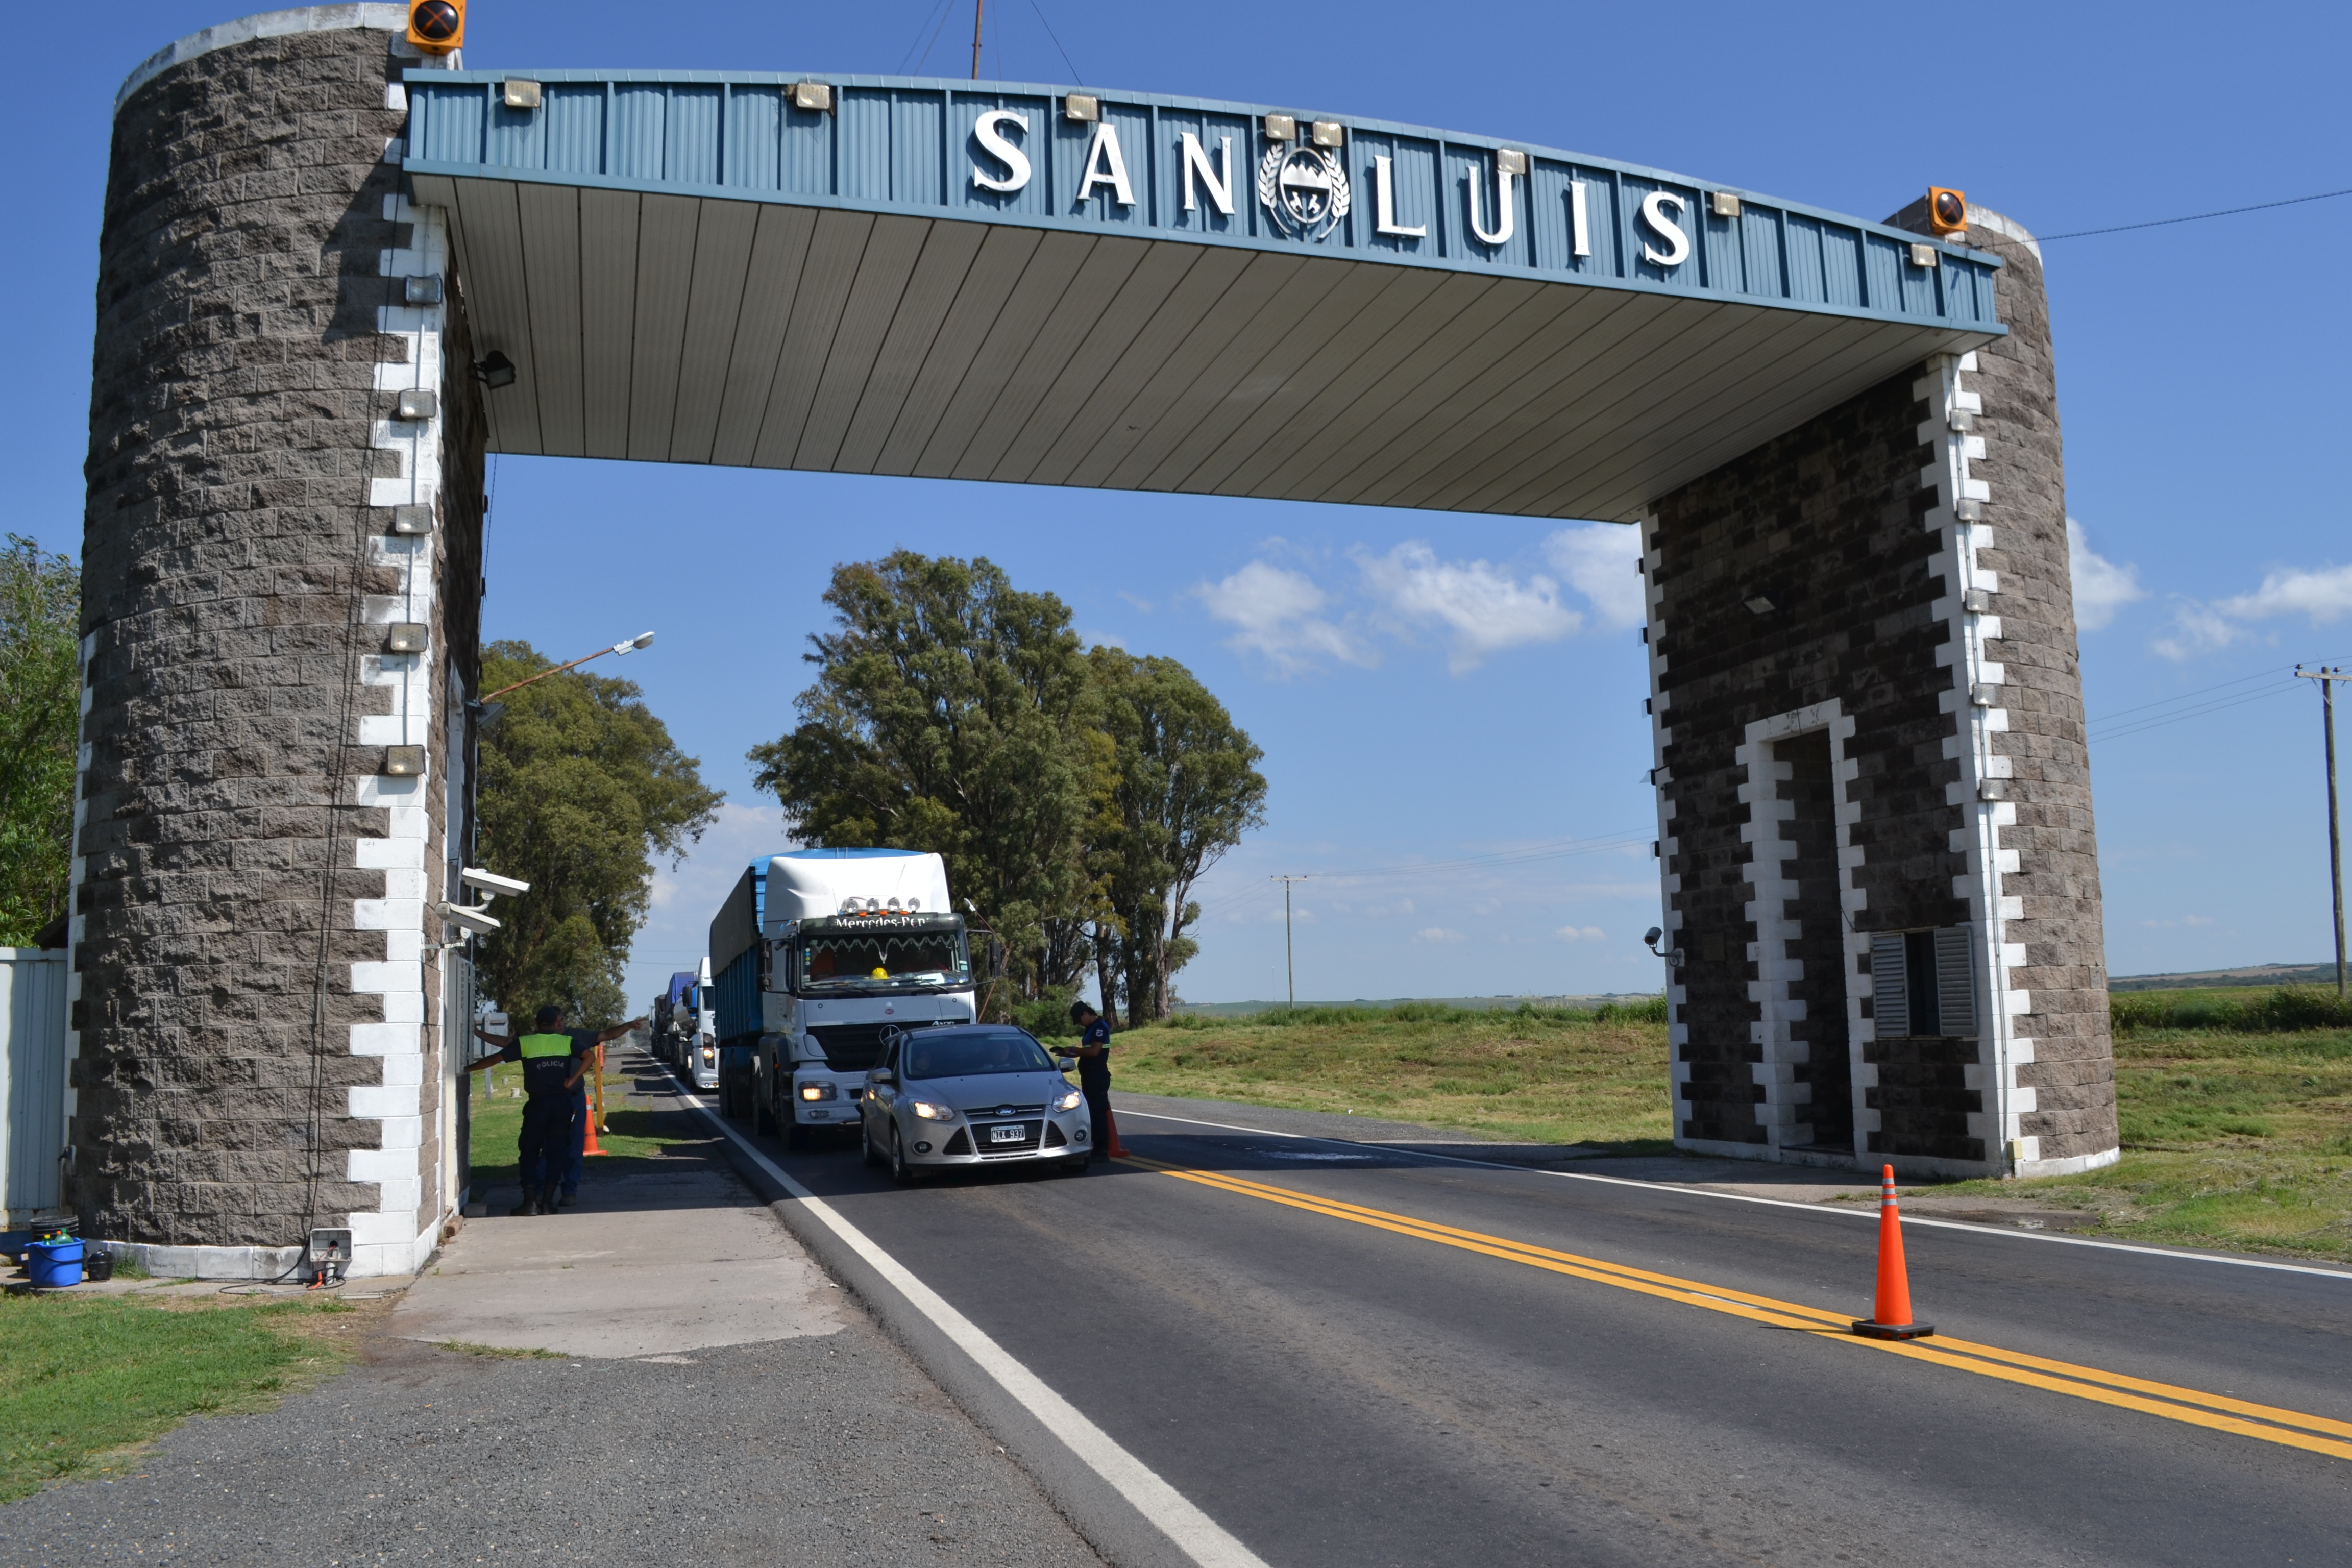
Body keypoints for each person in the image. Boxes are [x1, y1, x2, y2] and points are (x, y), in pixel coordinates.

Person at [474, 1005, 644, 1213]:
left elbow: (606, 1035)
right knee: (548, 1147)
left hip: (573, 1097)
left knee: (571, 1148)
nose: (561, 1023)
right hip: (549, 1099)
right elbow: (508, 1044)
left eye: (563, 1019)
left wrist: (628, 1025)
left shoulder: (575, 1037)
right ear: (551, 1023)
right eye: (558, 1020)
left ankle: (567, 1192)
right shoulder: (535, 1040)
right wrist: (478, 1034)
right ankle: (542, 1195)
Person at [1068, 1000, 1115, 1163]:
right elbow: (1086, 1051)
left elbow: (1094, 1052)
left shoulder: (1100, 1027)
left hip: (1097, 1076)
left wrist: (1074, 1050)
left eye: (1080, 1020)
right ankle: (1095, 1145)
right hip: (1089, 1076)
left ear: (1086, 1014)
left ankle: (1102, 1150)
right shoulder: (1090, 1028)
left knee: (1098, 1112)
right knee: (1092, 1112)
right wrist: (1067, 1052)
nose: (1080, 1024)